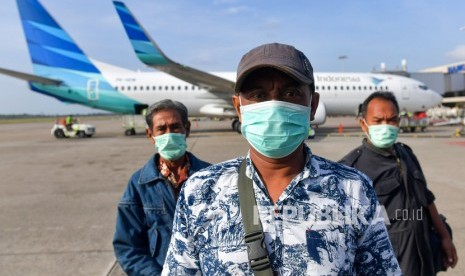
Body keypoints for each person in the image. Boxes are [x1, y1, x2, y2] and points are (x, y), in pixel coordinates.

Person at [162, 43, 401, 275]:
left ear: (313, 105)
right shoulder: (200, 191)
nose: (274, 106)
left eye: (290, 93)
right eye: (258, 95)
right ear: (238, 107)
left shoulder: (353, 189)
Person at [339, 91, 458, 275]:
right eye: (378, 121)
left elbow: (426, 198)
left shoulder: (406, 155)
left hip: (422, 259)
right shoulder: (351, 170)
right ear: (364, 124)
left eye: (392, 120)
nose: (385, 126)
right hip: (388, 265)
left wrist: (445, 238)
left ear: (399, 122)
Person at [113, 99, 210, 275]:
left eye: (175, 127)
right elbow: (128, 247)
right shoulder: (139, 184)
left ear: (186, 129)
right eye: (161, 129)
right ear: (151, 135)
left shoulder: (211, 176)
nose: (169, 134)